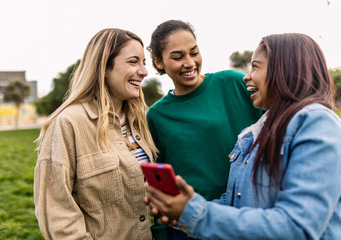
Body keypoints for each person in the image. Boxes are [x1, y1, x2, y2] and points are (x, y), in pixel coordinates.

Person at [145, 33, 341, 239]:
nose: (246, 76)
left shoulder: (316, 123)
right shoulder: (262, 129)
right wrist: (182, 207)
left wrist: (195, 213)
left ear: (285, 69)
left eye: (255, 67)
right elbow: (236, 201)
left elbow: (297, 227)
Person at [34, 28, 157, 240]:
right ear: (104, 67)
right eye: (133, 61)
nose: (144, 71)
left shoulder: (139, 121)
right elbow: (57, 214)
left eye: (144, 62)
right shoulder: (67, 123)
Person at [146, 20, 263, 239]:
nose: (189, 63)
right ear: (159, 62)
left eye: (194, 52)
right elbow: (160, 182)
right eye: (178, 57)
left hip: (242, 216)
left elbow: (277, 125)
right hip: (186, 226)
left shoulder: (233, 83)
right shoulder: (156, 115)